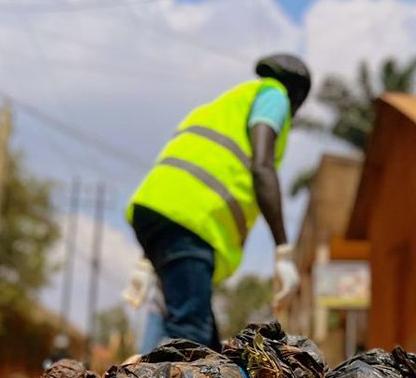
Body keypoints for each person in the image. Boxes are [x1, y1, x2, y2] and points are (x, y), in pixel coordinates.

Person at [126, 53, 310, 351]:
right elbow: (262, 166)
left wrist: (147, 261)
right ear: (298, 97)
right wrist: (283, 251)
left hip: (156, 213)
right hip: (193, 223)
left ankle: (147, 377)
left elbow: (177, 186)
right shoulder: (274, 96)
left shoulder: (226, 105)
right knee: (191, 338)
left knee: (206, 345)